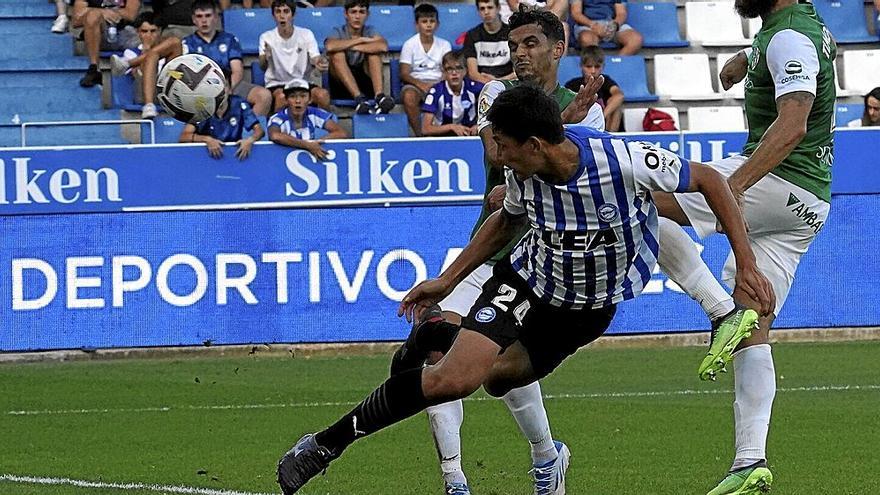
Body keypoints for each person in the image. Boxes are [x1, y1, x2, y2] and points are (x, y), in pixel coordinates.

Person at [275, 84, 771, 495]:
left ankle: (529, 433)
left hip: (584, 310)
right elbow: (506, 220)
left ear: (535, 144)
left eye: (505, 146)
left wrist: (745, 263)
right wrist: (446, 280)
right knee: (454, 379)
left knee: (497, 381)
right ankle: (324, 444)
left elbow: (709, 180)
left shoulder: (621, 160)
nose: (499, 156)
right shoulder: (523, 173)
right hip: (524, 283)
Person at [395, 9, 605, 494]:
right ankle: (455, 481)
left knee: (507, 368)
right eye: (514, 47)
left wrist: (569, 123)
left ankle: (545, 456)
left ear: (558, 47)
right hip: (489, 249)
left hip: (544, 261)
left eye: (530, 44)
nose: (520, 54)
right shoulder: (495, 93)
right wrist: (561, 126)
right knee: (437, 347)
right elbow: (496, 153)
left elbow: (586, 175)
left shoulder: (587, 106)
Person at [657, 0, 836, 493]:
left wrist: (734, 188)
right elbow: (792, 57)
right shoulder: (799, 28)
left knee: (638, 201)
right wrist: (748, 55)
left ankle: (717, 310)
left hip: (775, 183)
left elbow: (794, 122)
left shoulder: (788, 38)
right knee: (755, 320)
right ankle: (748, 463)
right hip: (808, 204)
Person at [259, 0, 330, 112]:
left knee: (323, 95)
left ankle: (321, 127)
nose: (282, 16)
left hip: (303, 82)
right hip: (277, 83)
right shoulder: (266, 37)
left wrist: (320, 62)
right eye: (278, 12)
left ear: (293, 14)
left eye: (286, 11)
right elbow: (263, 66)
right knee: (282, 98)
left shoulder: (306, 34)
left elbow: (315, 58)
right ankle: (278, 127)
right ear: (273, 15)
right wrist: (266, 57)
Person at [325, 0, 393, 115]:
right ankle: (359, 99)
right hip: (340, 84)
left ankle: (379, 97)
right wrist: (360, 40)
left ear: (367, 15)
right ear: (346, 14)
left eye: (362, 12)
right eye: (353, 12)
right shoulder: (338, 31)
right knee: (337, 55)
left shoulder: (370, 30)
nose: (357, 16)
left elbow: (383, 46)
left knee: (374, 54)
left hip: (365, 80)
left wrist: (351, 46)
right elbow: (330, 46)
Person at [400, 4, 452, 136]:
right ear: (416, 25)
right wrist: (421, 85)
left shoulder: (445, 44)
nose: (428, 25)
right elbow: (404, 73)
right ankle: (420, 135)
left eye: (432, 21)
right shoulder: (409, 44)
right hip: (416, 84)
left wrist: (437, 85)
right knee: (409, 96)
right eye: (424, 22)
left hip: (440, 82)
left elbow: (449, 69)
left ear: (437, 24)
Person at [267, 79, 347, 159]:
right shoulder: (278, 118)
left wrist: (317, 142)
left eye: (303, 96)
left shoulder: (315, 113)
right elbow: (275, 135)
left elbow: (341, 133)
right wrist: (307, 145)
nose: (298, 101)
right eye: (292, 96)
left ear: (310, 100)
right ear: (286, 100)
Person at [179, 85, 264, 160]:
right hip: (206, 157)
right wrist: (207, 140)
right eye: (216, 87)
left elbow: (259, 131)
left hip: (234, 157)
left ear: (230, 89)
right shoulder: (203, 107)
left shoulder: (239, 103)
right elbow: (184, 137)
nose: (220, 92)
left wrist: (250, 140)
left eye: (224, 87)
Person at [73, 0, 141, 87]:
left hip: (126, 33)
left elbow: (131, 14)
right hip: (100, 34)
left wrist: (110, 13)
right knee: (93, 16)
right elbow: (76, 19)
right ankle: (94, 68)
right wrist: (101, 12)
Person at [420, 50, 483, 137]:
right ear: (444, 72)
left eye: (458, 68)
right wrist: (452, 127)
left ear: (465, 71)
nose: (454, 73)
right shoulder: (436, 91)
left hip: (469, 136)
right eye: (449, 69)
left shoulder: (475, 88)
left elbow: (495, 102)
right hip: (442, 137)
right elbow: (425, 129)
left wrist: (481, 125)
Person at [563, 46, 623, 132]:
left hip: (605, 124)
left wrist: (602, 115)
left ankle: (610, 136)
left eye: (597, 67)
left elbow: (619, 95)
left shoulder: (605, 80)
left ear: (603, 66)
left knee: (616, 106)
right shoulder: (572, 85)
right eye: (589, 66)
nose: (593, 70)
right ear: (581, 66)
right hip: (581, 124)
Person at [116, 13, 166, 105]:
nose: (148, 35)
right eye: (144, 31)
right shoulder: (130, 53)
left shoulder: (168, 52)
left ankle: (128, 64)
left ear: (160, 31)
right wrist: (146, 50)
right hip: (142, 94)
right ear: (138, 32)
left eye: (153, 31)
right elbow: (138, 75)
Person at [461, 0, 515, 84]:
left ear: (498, 8)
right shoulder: (472, 35)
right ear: (478, 11)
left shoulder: (511, 33)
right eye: (482, 9)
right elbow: (473, 73)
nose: (486, 12)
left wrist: (498, 82)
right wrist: (491, 84)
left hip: (507, 83)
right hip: (481, 84)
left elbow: (516, 72)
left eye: (490, 7)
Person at [569, 0, 642, 55]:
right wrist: (593, 25)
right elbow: (576, 13)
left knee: (635, 40)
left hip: (611, 23)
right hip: (587, 24)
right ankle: (597, 66)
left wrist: (614, 26)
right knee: (587, 39)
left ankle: (614, 65)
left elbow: (621, 13)